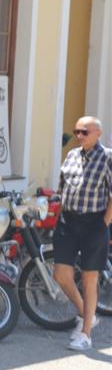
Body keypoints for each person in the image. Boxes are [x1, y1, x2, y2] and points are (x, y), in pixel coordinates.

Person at [53, 116, 111, 351]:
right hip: (68, 220)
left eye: (84, 132)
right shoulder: (71, 155)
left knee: (90, 278)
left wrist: (104, 224)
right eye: (77, 131)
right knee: (60, 274)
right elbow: (62, 188)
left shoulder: (107, 157)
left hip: (94, 222)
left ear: (98, 133)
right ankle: (86, 313)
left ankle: (85, 333)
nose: (79, 136)